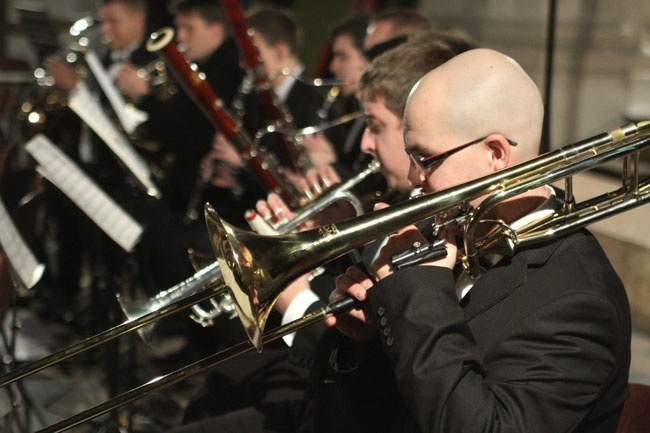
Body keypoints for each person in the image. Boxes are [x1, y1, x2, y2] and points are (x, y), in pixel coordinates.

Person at [164, 29, 477, 433]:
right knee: (213, 394)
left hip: (348, 406)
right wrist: (312, 243)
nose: (365, 143)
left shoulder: (438, 223)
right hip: (325, 395)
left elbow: (384, 360)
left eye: (376, 126)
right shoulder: (398, 201)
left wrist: (293, 296)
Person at [320, 48, 631, 433]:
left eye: (426, 158)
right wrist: (366, 341)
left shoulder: (578, 301)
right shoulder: (453, 228)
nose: (416, 178)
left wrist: (420, 294)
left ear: (495, 154)